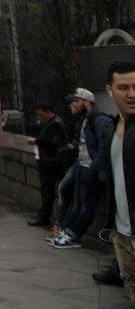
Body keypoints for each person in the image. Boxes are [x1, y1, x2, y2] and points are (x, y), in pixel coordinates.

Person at [52, 87, 113, 248]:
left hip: (90, 168)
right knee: (76, 202)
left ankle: (72, 234)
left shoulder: (99, 120)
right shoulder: (85, 120)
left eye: (76, 101)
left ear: (87, 103)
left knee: (86, 205)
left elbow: (103, 146)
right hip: (82, 165)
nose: (73, 104)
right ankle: (67, 231)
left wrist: (94, 166)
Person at [104, 59, 135, 302]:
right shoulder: (111, 130)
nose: (131, 94)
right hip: (122, 232)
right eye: (124, 88)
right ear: (110, 90)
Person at [26, 102, 70, 228]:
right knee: (47, 190)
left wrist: (37, 141)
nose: (39, 117)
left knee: (48, 190)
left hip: (51, 163)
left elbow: (52, 142)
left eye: (41, 114)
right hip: (49, 161)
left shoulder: (55, 124)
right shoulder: (52, 122)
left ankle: (45, 217)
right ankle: (45, 216)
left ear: (48, 112)